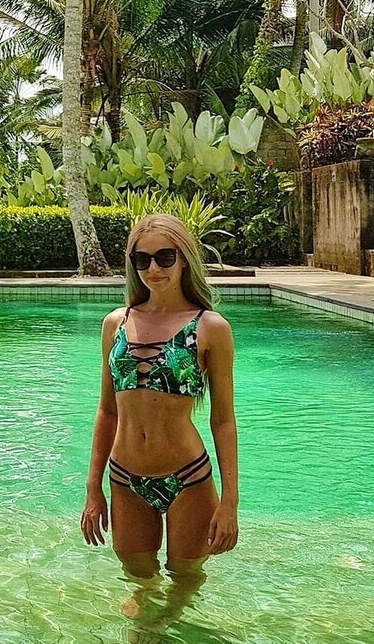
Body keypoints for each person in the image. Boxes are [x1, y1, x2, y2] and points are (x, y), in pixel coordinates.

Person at [81, 213, 238, 628]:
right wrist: (93, 487)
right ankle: (152, 622)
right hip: (125, 478)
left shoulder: (211, 328)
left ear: (184, 259)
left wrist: (230, 501)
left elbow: (223, 420)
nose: (153, 268)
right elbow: (107, 410)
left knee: (185, 577)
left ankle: (162, 623)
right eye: (142, 259)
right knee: (138, 576)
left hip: (188, 478)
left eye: (165, 257)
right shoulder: (116, 324)